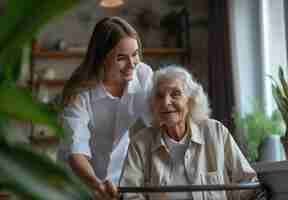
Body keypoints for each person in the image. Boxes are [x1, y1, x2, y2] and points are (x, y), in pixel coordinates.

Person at [118, 65, 258, 200]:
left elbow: (248, 182)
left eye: (175, 94)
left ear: (190, 101)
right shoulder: (140, 144)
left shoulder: (215, 132)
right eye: (160, 96)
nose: (166, 102)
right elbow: (130, 193)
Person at [58, 16, 153, 200]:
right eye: (121, 58)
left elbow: (157, 123)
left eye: (135, 54)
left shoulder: (143, 75)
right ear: (102, 58)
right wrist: (96, 185)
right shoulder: (80, 91)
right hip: (77, 179)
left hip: (117, 180)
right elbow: (75, 149)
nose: (132, 64)